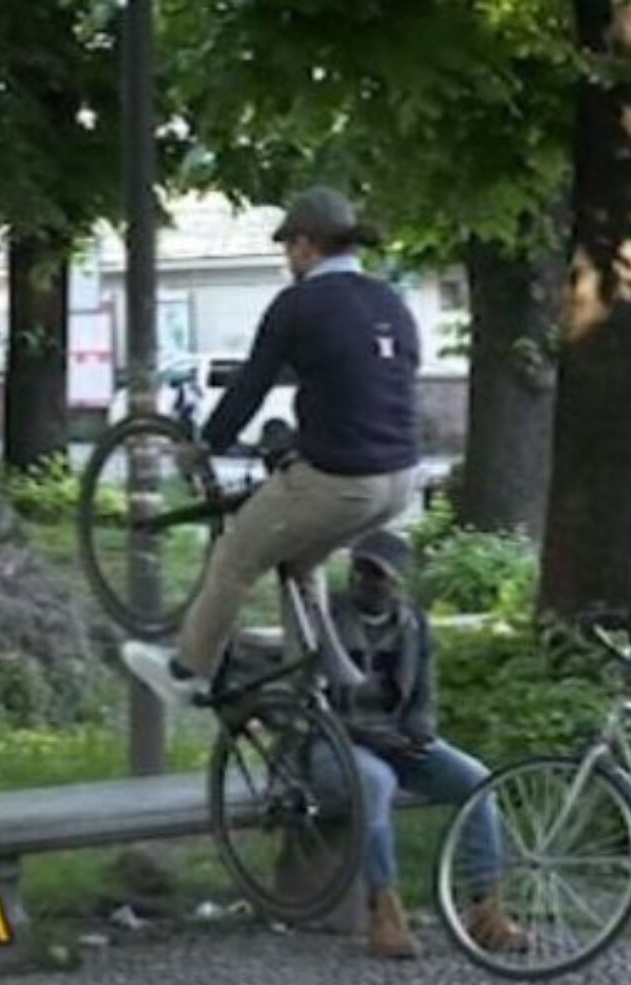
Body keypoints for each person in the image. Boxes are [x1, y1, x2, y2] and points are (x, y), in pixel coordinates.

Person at [120, 186, 424, 702]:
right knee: (302, 560)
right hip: (399, 480)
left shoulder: (299, 304)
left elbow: (251, 385)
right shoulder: (389, 300)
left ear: (306, 246)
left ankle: (189, 671)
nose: (288, 260)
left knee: (235, 557)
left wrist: (206, 443)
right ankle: (319, 677)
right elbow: (368, 386)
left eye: (289, 248)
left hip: (340, 479)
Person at [327, 530, 527, 959]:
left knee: (477, 781)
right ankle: (385, 911)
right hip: (337, 743)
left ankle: (486, 909)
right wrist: (362, 733)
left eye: (378, 574)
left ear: (399, 581)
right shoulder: (326, 616)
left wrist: (418, 732)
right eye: (360, 570)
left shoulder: (413, 622)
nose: (367, 582)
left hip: (398, 739)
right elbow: (309, 701)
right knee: (376, 783)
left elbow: (424, 695)